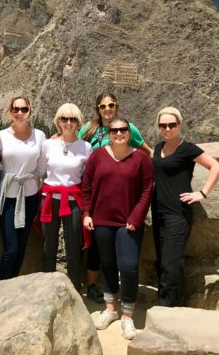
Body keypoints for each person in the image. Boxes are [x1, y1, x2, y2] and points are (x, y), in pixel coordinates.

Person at [81, 117, 154, 340]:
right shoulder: (98, 155)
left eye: (123, 130)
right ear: (108, 133)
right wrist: (86, 213)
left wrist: (136, 217)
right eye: (114, 131)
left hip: (128, 223)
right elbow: (87, 184)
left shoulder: (140, 159)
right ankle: (111, 309)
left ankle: (128, 315)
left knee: (129, 266)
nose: (119, 133)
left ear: (129, 132)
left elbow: (147, 190)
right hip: (102, 220)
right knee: (109, 265)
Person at [151, 106, 219, 307]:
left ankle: (169, 308)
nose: (167, 129)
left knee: (171, 264)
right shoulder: (158, 148)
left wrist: (202, 193)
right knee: (162, 262)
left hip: (177, 213)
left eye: (171, 125)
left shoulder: (188, 148)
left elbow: (216, 167)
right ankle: (168, 302)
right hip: (158, 212)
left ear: (179, 125)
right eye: (163, 125)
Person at [37, 103, 92, 290]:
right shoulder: (48, 144)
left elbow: (88, 178)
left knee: (73, 247)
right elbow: (41, 171)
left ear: (78, 123)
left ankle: (74, 289)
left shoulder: (86, 147)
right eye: (64, 118)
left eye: (73, 119)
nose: (68, 122)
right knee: (48, 245)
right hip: (50, 198)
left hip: (73, 200)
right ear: (58, 121)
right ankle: (47, 288)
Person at [0, 96, 46, 280]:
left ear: (30, 111)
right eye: (16, 109)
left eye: (24, 109)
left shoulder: (39, 136)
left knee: (22, 245)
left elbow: (41, 168)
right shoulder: (0, 136)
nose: (20, 113)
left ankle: (13, 286)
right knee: (11, 248)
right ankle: (1, 289)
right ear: (10, 111)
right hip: (7, 196)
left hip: (30, 196)